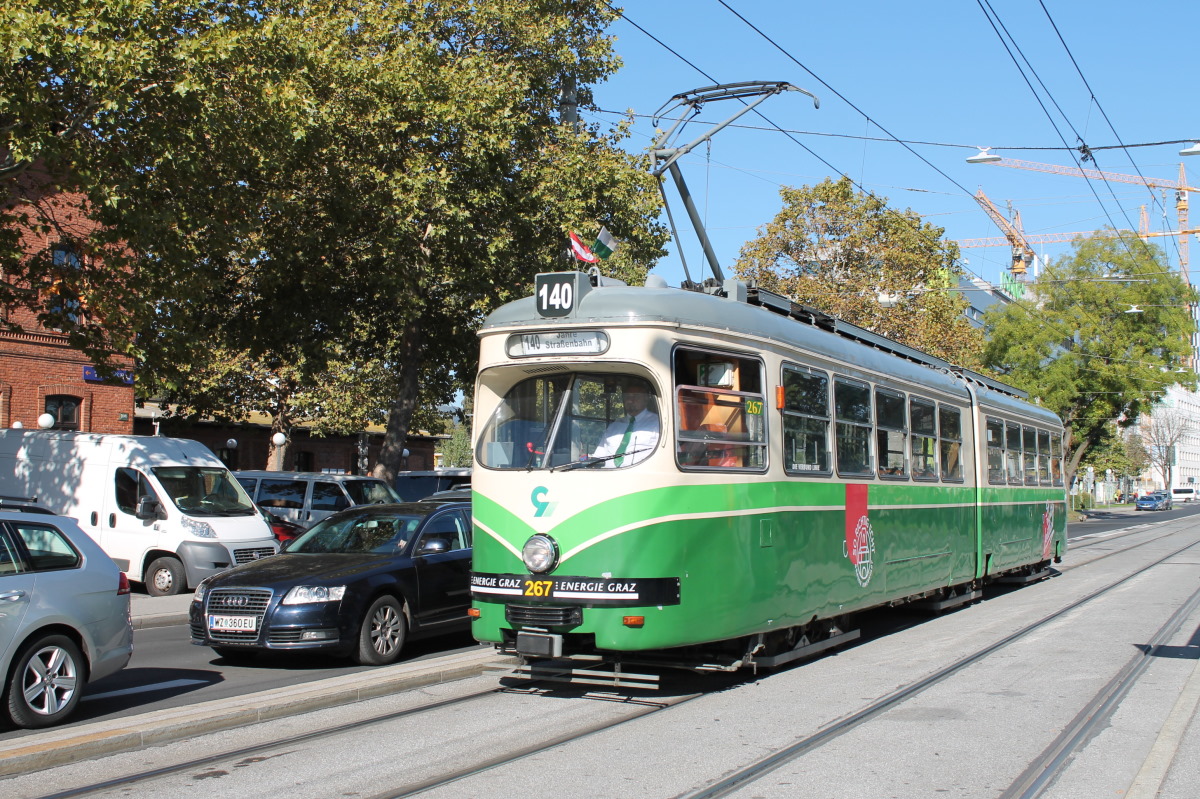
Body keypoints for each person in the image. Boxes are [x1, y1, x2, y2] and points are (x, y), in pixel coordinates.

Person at [590, 381, 660, 467]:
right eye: (628, 396)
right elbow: (599, 457)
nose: (631, 400)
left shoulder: (658, 423)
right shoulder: (614, 426)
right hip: (608, 476)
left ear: (646, 398)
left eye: (636, 396)